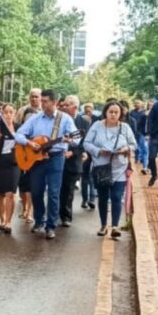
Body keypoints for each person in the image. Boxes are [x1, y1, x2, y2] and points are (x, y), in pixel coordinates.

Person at [14, 89, 79, 239]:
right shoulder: (36, 118)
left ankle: (51, 226)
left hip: (56, 157)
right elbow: (18, 134)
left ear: (54, 102)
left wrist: (71, 140)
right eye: (41, 101)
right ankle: (39, 221)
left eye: (45, 101)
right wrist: (29, 143)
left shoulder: (65, 119)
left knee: (54, 192)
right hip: (37, 160)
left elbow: (77, 139)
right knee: (36, 191)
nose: (42, 104)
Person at [83, 102, 136, 238]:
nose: (113, 114)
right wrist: (99, 151)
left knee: (117, 197)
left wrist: (126, 149)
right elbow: (86, 143)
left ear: (120, 114)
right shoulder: (97, 126)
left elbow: (133, 144)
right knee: (103, 197)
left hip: (120, 167)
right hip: (101, 168)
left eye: (116, 112)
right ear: (105, 112)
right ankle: (103, 225)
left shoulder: (125, 128)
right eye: (110, 112)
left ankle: (115, 226)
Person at [0, 103, 21, 234]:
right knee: (0, 194)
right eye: (6, 112)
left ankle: (8, 221)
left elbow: (26, 141)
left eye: (11, 112)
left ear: (14, 114)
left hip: (14, 163)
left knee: (11, 193)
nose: (8, 115)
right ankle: (2, 220)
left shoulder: (20, 127)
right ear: (2, 114)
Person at [58, 95, 88, 225]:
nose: (63, 107)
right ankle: (55, 213)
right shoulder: (58, 119)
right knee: (56, 189)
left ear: (75, 107)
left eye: (67, 105)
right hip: (57, 158)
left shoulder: (84, 122)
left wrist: (73, 152)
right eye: (63, 105)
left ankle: (66, 216)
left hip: (73, 160)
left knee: (69, 189)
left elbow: (85, 143)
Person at [15, 88, 44, 224]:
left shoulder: (44, 113)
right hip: (23, 149)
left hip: (37, 153)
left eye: (37, 97)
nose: (34, 99)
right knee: (23, 183)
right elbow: (17, 129)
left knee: (34, 183)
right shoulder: (22, 111)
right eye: (32, 96)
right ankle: (24, 207)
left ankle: (30, 211)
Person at [79, 102, 97, 210]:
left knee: (91, 177)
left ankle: (92, 199)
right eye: (86, 108)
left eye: (90, 108)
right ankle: (85, 199)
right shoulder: (80, 121)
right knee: (85, 177)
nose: (88, 110)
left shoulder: (97, 122)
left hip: (93, 154)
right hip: (83, 153)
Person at [128, 100, 148, 171]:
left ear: (142, 104)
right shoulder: (132, 112)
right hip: (133, 131)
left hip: (142, 131)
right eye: (135, 103)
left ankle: (141, 159)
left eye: (138, 103)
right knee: (135, 145)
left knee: (142, 146)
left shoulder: (144, 112)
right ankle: (137, 158)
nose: (137, 104)